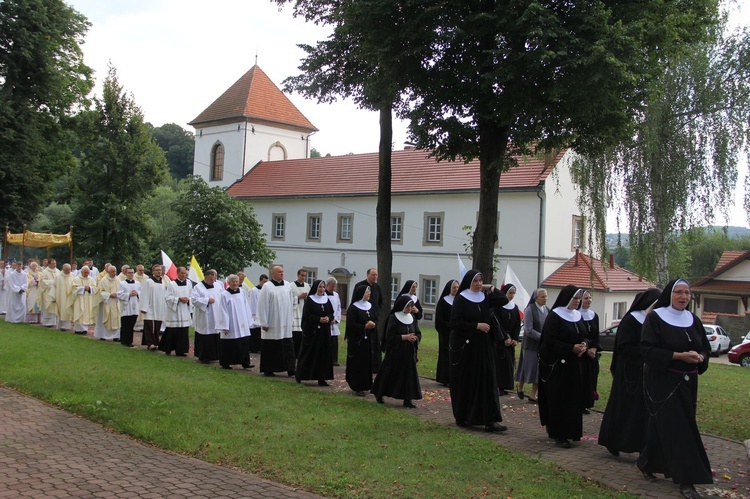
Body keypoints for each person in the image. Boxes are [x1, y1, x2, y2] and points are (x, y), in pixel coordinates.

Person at [635, 280, 712, 499]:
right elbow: (647, 350)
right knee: (682, 429)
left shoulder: (693, 320)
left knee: (665, 425)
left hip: (688, 383)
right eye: (678, 292)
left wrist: (701, 357)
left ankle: (646, 461)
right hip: (663, 382)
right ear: (670, 294)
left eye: (687, 293)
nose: (683, 297)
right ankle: (687, 481)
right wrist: (678, 356)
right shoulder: (656, 318)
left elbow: (704, 348)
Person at [598, 288, 661, 457]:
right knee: (623, 408)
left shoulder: (651, 320)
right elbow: (624, 347)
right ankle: (613, 440)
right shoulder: (631, 320)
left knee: (640, 411)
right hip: (628, 373)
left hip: (644, 373)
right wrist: (646, 355)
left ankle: (639, 444)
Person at [449, 270, 509, 431]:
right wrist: (476, 326)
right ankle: (464, 416)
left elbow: (503, 299)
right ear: (469, 282)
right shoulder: (461, 299)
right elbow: (455, 323)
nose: (478, 284)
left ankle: (490, 420)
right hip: (467, 348)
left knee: (487, 381)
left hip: (484, 347)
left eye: (481, 281)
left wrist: (491, 287)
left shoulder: (485, 297)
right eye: (475, 281)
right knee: (468, 381)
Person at [537, 285, 587, 448]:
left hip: (573, 364)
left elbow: (583, 335)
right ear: (567, 298)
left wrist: (583, 346)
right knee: (559, 399)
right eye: (575, 298)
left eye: (579, 299)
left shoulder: (577, 315)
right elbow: (549, 341)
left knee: (573, 398)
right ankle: (559, 434)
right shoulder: (555, 316)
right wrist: (570, 348)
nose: (577, 302)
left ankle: (572, 432)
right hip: (558, 365)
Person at [371, 295, 422, 408]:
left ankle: (407, 399)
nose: (409, 308)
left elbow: (418, 333)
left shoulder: (412, 318)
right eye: (407, 306)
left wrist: (415, 338)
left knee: (408, 376)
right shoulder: (393, 317)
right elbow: (389, 336)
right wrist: (404, 337)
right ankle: (379, 393)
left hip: (409, 353)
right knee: (389, 374)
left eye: (411, 305)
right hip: (395, 352)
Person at [258, 266, 296, 377]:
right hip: (272, 321)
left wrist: (291, 318)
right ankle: (269, 369)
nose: (282, 274)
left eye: (282, 272)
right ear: (273, 274)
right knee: (272, 346)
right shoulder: (267, 287)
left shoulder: (287, 286)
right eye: (279, 272)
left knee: (287, 345)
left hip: (285, 321)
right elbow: (262, 305)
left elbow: (290, 302)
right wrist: (263, 322)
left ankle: (290, 368)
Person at [295, 280, 334, 386]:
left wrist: (328, 318)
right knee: (308, 354)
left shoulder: (326, 300)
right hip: (312, 332)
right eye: (320, 287)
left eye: (323, 287)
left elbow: (331, 312)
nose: (321, 289)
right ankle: (301, 375)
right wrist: (318, 319)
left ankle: (322, 378)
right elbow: (307, 316)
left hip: (324, 332)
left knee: (323, 355)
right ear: (316, 288)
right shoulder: (310, 300)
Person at [515, 288, 548, 403]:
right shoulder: (530, 309)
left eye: (546, 296)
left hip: (542, 346)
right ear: (536, 298)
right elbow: (528, 330)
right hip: (530, 345)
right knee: (529, 368)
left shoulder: (547, 310)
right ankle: (520, 386)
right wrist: (542, 337)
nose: (545, 299)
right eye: (542, 297)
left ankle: (533, 395)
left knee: (539, 370)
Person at [345, 284, 378, 396]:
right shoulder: (353, 308)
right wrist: (364, 326)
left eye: (369, 292)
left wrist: (373, 324)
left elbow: (375, 318)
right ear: (361, 294)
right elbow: (350, 325)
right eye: (367, 292)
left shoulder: (370, 306)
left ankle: (367, 384)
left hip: (368, 339)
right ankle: (357, 386)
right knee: (358, 363)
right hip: (357, 340)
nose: (369, 294)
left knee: (367, 361)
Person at [214, 274, 253, 370]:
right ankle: (226, 363)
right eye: (233, 282)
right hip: (231, 323)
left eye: (236, 281)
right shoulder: (225, 294)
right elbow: (223, 310)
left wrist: (248, 321)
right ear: (229, 282)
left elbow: (246, 306)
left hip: (242, 322)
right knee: (229, 344)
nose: (235, 283)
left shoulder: (242, 292)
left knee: (243, 342)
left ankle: (245, 362)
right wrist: (224, 326)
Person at [491, 283, 522, 395]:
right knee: (499, 364)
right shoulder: (498, 306)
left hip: (510, 340)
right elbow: (497, 323)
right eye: (510, 293)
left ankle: (505, 385)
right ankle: (498, 386)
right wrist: (504, 338)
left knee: (508, 364)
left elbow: (517, 324)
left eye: (513, 293)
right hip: (499, 340)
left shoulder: (514, 307)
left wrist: (514, 338)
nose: (512, 295)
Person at [159, 267, 193, 356]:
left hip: (184, 310)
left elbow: (192, 296)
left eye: (185, 273)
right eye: (182, 273)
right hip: (175, 311)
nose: (184, 275)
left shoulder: (189, 284)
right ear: (177, 273)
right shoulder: (172, 284)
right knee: (172, 330)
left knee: (183, 331)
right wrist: (178, 299)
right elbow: (167, 298)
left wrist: (188, 300)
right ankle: (168, 348)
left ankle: (181, 350)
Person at [354, 268, 383, 372]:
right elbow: (355, 301)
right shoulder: (360, 286)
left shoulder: (377, 287)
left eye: (376, 275)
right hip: (362, 321)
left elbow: (380, 303)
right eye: (373, 274)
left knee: (375, 344)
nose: (375, 277)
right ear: (367, 275)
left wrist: (376, 316)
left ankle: (375, 366)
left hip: (374, 319)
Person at [192, 269, 222, 363]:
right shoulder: (198, 287)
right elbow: (194, 300)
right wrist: (207, 300)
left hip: (216, 314)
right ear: (205, 277)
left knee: (216, 334)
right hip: (204, 315)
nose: (212, 281)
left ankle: (215, 355)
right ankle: (204, 356)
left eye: (214, 279)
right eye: (210, 279)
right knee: (205, 335)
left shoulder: (218, 285)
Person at [578, 290, 601, 413]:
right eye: (586, 298)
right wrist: (585, 348)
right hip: (581, 352)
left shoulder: (594, 315)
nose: (589, 300)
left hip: (591, 353)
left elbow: (596, 335)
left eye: (590, 298)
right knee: (581, 378)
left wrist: (594, 348)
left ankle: (587, 403)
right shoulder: (576, 315)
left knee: (591, 379)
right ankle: (579, 404)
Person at [434, 279, 458, 386]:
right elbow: (439, 320)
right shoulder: (443, 301)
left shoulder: (459, 300)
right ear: (449, 288)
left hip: (456, 334)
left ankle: (454, 378)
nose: (456, 289)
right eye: (454, 287)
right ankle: (445, 378)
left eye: (457, 287)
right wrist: (450, 326)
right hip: (445, 333)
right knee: (445, 355)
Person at [140, 264, 168, 350]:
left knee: (157, 326)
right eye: (157, 270)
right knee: (149, 326)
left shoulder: (163, 282)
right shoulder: (149, 282)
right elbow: (144, 295)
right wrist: (144, 308)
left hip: (159, 307)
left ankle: (156, 342)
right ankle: (150, 343)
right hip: (150, 307)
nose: (159, 271)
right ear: (153, 272)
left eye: (160, 270)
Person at [94, 265, 121, 341]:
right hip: (107, 302)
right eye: (112, 271)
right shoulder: (103, 280)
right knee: (105, 317)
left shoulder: (118, 280)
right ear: (108, 272)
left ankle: (116, 336)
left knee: (116, 318)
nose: (114, 273)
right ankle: (103, 335)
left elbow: (122, 290)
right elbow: (99, 292)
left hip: (116, 302)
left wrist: (117, 294)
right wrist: (109, 295)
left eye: (115, 271)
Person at [117, 267, 141, 347]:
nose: (131, 274)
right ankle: (124, 340)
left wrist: (137, 293)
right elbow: (119, 294)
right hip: (126, 307)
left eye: (132, 272)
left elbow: (141, 293)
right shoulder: (122, 283)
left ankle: (130, 341)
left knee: (131, 325)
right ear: (126, 274)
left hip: (135, 306)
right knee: (125, 324)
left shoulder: (137, 283)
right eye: (129, 272)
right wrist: (129, 294)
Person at [71, 266, 97, 335]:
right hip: (79, 299)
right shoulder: (76, 279)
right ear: (81, 272)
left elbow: (95, 288)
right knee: (79, 312)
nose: (86, 274)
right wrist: (83, 288)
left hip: (88, 299)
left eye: (87, 273)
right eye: (85, 273)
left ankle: (85, 329)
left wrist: (89, 288)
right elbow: (73, 288)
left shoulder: (91, 279)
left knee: (86, 314)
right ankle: (78, 329)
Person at [291, 268, 310, 357]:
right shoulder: (291, 286)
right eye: (302, 275)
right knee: (295, 334)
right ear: (298, 275)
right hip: (295, 312)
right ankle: (294, 353)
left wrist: (306, 298)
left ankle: (301, 353)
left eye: (304, 276)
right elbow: (288, 299)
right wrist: (298, 297)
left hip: (303, 311)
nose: (303, 277)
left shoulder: (307, 286)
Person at [248, 273, 268, 353]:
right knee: (255, 332)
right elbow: (253, 303)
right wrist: (255, 315)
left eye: (266, 282)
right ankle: (254, 348)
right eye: (264, 282)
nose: (265, 284)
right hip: (255, 314)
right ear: (260, 281)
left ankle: (260, 347)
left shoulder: (266, 290)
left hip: (263, 313)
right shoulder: (254, 290)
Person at [53, 263, 76, 331]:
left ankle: (67, 326)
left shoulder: (73, 275)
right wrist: (53, 297)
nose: (68, 271)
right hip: (61, 297)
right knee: (62, 310)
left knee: (68, 310)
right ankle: (61, 325)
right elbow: (54, 287)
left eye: (69, 269)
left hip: (70, 296)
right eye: (67, 270)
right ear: (63, 269)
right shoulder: (58, 277)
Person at [325, 277, 342, 366]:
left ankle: (334, 359)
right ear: (327, 286)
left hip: (334, 321)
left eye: (334, 286)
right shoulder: (323, 295)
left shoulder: (336, 295)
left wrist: (336, 319)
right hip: (327, 320)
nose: (333, 288)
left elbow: (339, 308)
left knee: (334, 342)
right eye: (332, 286)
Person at [39, 259, 60, 327]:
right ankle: (47, 322)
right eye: (53, 263)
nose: (54, 265)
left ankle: (53, 322)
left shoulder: (58, 271)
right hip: (48, 292)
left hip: (55, 292)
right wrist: (52, 282)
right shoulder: (45, 272)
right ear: (49, 264)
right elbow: (42, 282)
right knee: (48, 306)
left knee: (54, 307)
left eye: (55, 263)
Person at [133, 264, 149, 332]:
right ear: (137, 270)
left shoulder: (146, 277)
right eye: (140, 270)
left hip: (144, 296)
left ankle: (142, 326)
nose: (142, 271)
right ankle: (135, 327)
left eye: (143, 270)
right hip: (136, 297)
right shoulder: (133, 277)